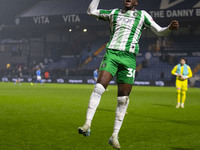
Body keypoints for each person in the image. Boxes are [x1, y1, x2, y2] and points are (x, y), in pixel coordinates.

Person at [78, 0, 179, 149]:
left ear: (136, 2)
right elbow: (91, 11)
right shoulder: (114, 13)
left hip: (129, 58)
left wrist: (169, 28)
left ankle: (114, 136)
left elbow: (159, 31)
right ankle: (87, 124)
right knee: (99, 88)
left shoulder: (142, 15)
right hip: (112, 54)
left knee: (123, 99)